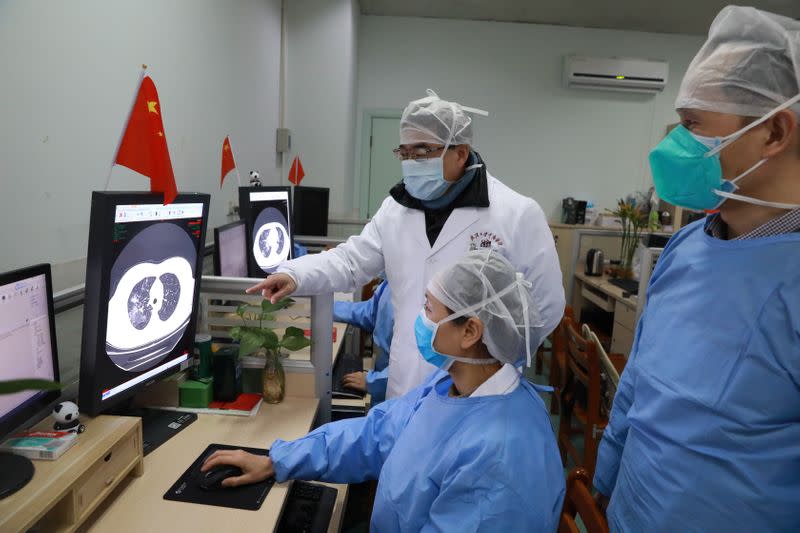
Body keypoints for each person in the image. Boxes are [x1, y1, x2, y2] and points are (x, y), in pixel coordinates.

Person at [594, 6, 800, 532]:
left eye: (693, 125)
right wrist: (605, 479)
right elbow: (637, 383)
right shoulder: (687, 246)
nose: (674, 145)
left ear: (774, 132)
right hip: (630, 508)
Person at [203, 250, 566, 531]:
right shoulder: (452, 386)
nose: (419, 321)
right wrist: (279, 460)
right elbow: (376, 433)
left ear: (470, 332)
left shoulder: (499, 459)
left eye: (429, 310)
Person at [249, 90, 564, 399]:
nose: (412, 162)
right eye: (405, 152)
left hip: (478, 391)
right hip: (405, 381)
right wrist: (295, 273)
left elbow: (545, 306)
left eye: (424, 151)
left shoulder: (516, 214)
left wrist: (492, 360)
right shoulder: (396, 209)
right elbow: (350, 261)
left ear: (461, 152)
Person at [333, 279, 393, 403]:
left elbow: (414, 366)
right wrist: (327, 309)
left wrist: (375, 382)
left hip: (392, 389)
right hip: (383, 377)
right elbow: (370, 313)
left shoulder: (416, 294)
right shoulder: (390, 284)